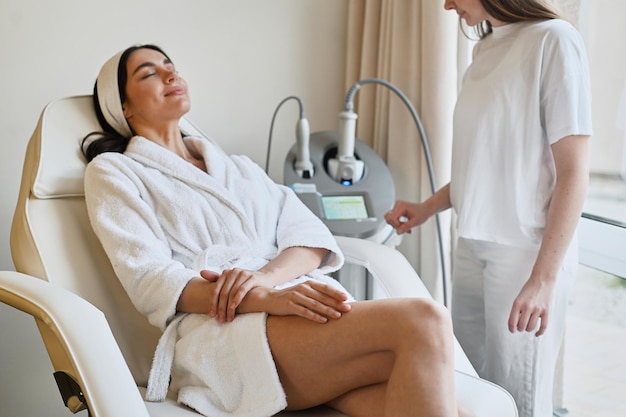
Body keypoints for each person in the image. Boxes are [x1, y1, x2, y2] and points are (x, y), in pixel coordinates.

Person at [81, 44, 471, 417]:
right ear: (124, 107)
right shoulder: (115, 171)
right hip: (224, 336)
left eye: (170, 65)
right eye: (149, 73)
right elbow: (151, 280)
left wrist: (266, 278)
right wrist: (261, 297)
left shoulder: (239, 168)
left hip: (292, 308)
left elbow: (310, 237)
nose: (169, 73)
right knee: (425, 319)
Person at [385, 1, 592, 416]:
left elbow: (573, 172)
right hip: (471, 247)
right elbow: (482, 164)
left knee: (518, 398)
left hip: (524, 255)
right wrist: (427, 207)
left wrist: (543, 279)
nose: (447, 5)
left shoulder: (553, 41)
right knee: (472, 389)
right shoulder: (484, 50)